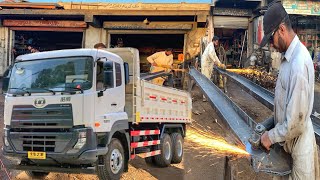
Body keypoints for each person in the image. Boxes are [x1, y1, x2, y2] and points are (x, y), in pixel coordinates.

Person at [259, 1, 319, 179]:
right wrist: (267, 124)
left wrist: (269, 137)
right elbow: (286, 106)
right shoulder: (287, 60)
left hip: (298, 147)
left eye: (271, 38)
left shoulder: (299, 63)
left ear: (282, 30)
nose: (271, 44)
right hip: (286, 143)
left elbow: (295, 123)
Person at [201, 36, 225, 101]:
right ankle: (204, 96)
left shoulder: (212, 47)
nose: (217, 42)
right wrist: (215, 62)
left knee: (208, 79)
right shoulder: (211, 46)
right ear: (214, 41)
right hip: (206, 65)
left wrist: (220, 63)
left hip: (208, 65)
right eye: (216, 41)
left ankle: (206, 95)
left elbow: (215, 56)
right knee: (206, 80)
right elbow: (210, 54)